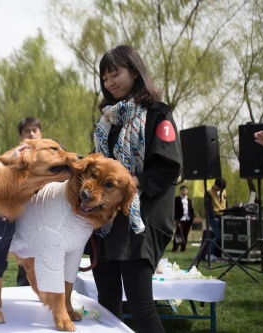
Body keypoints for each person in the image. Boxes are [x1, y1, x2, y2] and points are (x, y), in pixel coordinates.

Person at [89, 45, 182, 333]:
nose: (110, 83)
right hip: (105, 221)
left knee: (140, 306)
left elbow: (168, 167)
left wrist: (123, 182)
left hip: (141, 219)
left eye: (115, 74)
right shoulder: (108, 122)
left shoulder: (157, 115)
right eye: (105, 78)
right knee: (106, 306)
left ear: (135, 72)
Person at [15, 116, 43, 287]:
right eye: (27, 131)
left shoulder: (54, 153)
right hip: (26, 214)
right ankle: (24, 289)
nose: (32, 134)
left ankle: (57, 298)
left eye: (35, 130)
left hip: (49, 213)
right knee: (26, 257)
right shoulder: (17, 156)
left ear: (41, 133)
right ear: (21, 136)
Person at [204, 178, 227, 260]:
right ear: (216, 185)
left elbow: (225, 202)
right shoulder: (209, 192)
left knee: (224, 236)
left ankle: (222, 254)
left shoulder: (224, 191)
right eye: (220, 188)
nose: (221, 190)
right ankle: (209, 254)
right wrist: (212, 216)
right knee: (218, 236)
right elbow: (207, 205)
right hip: (214, 217)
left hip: (223, 216)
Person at [172, 185, 195, 252]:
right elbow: (174, 209)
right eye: (183, 190)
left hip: (188, 219)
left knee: (185, 233)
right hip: (180, 219)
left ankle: (183, 248)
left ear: (187, 191)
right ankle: (175, 248)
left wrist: (192, 217)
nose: (184, 191)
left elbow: (191, 209)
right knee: (178, 233)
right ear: (180, 191)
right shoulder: (177, 199)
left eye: (185, 190)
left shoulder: (189, 200)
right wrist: (175, 218)